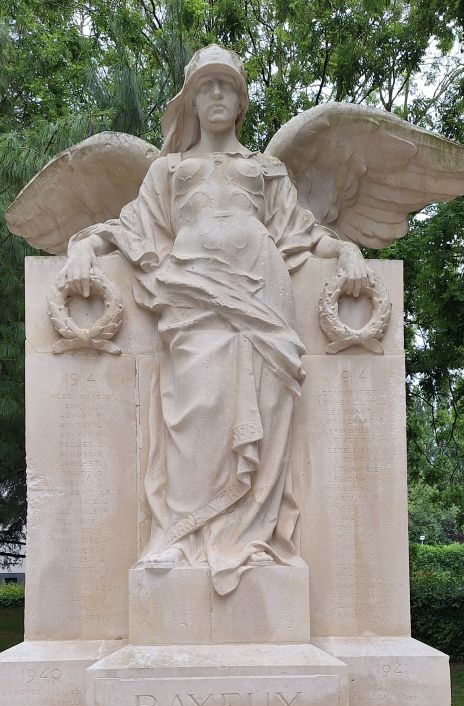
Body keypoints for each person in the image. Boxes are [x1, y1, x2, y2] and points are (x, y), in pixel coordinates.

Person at [62, 44, 371, 595]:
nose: (218, 96)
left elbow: (300, 231)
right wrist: (84, 246)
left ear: (242, 100)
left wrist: (347, 253)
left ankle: (252, 538)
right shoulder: (169, 170)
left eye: (227, 85)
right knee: (194, 408)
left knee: (267, 412)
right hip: (191, 296)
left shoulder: (266, 169)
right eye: (207, 87)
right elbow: (129, 226)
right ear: (191, 102)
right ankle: (182, 537)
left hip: (264, 299)